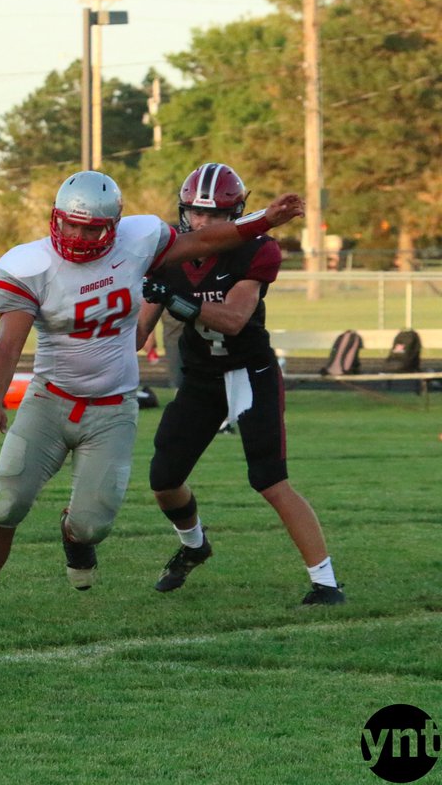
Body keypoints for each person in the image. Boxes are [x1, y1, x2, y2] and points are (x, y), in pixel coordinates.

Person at [0, 169, 304, 617]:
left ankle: (75, 539)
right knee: (8, 503)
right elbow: (7, 344)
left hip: (113, 407)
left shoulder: (138, 241)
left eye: (90, 227)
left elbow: (207, 242)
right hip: (49, 398)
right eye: (70, 223)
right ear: (55, 218)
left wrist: (264, 221)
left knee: (91, 525)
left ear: (114, 226)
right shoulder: (29, 265)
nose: (77, 235)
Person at [135, 162, 344, 606]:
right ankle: (194, 546)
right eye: (195, 212)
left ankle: (325, 582)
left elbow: (232, 320)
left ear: (237, 216)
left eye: (215, 215)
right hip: (201, 379)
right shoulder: (166, 254)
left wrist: (174, 299)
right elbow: (137, 335)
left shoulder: (257, 249)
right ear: (183, 209)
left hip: (250, 372)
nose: (203, 223)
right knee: (164, 478)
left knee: (269, 479)